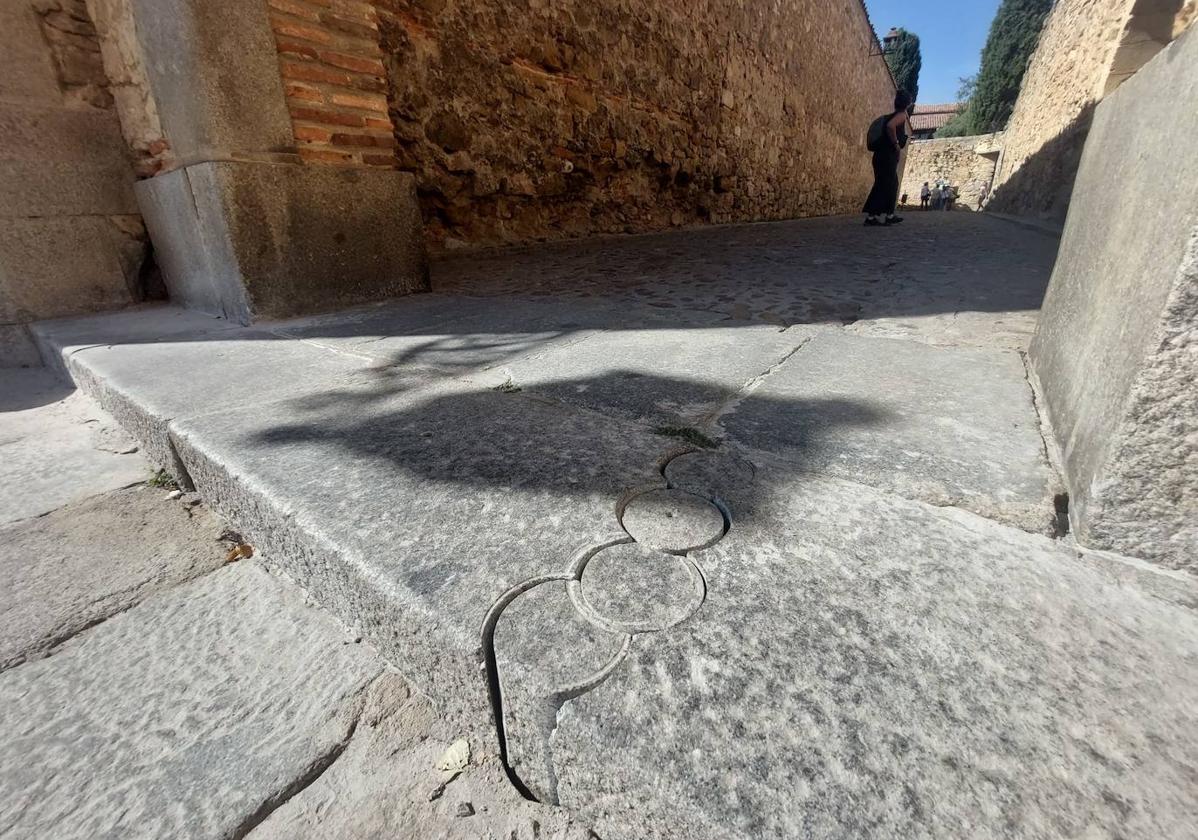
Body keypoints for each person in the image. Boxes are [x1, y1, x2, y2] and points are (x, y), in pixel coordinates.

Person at [863, 89, 912, 226]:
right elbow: (891, 127)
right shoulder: (901, 115)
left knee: (885, 184)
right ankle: (879, 216)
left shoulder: (891, 115)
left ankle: (880, 215)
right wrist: (896, 144)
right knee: (887, 184)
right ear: (907, 103)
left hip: (879, 156)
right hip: (886, 156)